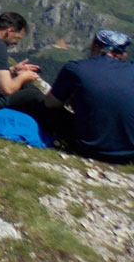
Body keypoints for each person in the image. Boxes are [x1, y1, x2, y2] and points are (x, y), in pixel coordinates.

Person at [45, 29, 134, 163]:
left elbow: (50, 103)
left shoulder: (75, 68)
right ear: (122, 54)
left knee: (36, 101)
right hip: (130, 154)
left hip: (88, 149)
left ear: (94, 46)